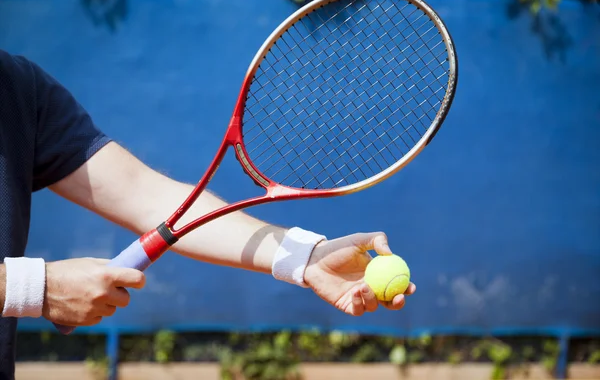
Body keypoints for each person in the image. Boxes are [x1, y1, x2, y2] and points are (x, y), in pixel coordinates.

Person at [0, 48, 415, 379]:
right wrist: (32, 287)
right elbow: (33, 287)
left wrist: (307, 259)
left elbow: (146, 195)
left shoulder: (17, 88)